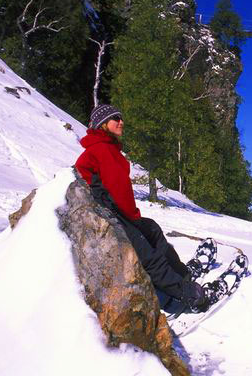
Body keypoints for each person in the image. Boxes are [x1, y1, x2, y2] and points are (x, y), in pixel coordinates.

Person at [74, 104, 208, 316]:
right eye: (115, 118)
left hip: (106, 212)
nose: (121, 122)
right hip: (111, 214)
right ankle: (184, 296)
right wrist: (133, 219)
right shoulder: (104, 149)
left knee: (152, 230)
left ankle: (180, 275)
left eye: (120, 117)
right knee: (148, 252)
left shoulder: (101, 147)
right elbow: (118, 191)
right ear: (103, 125)